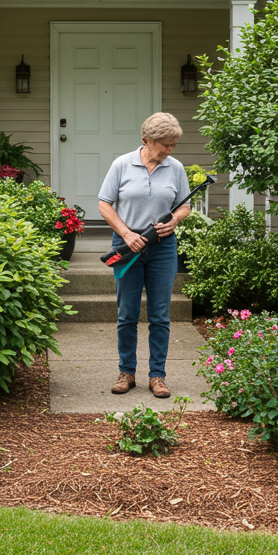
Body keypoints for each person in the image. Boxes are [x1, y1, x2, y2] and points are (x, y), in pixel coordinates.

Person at [97, 112, 191, 398]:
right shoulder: (122, 165)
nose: (169, 150)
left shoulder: (175, 168)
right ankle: (126, 372)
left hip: (162, 248)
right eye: (165, 144)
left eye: (173, 145)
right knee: (127, 313)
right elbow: (104, 204)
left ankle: (157, 376)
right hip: (127, 247)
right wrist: (126, 234)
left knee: (160, 315)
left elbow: (183, 205)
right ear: (146, 140)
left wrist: (175, 220)